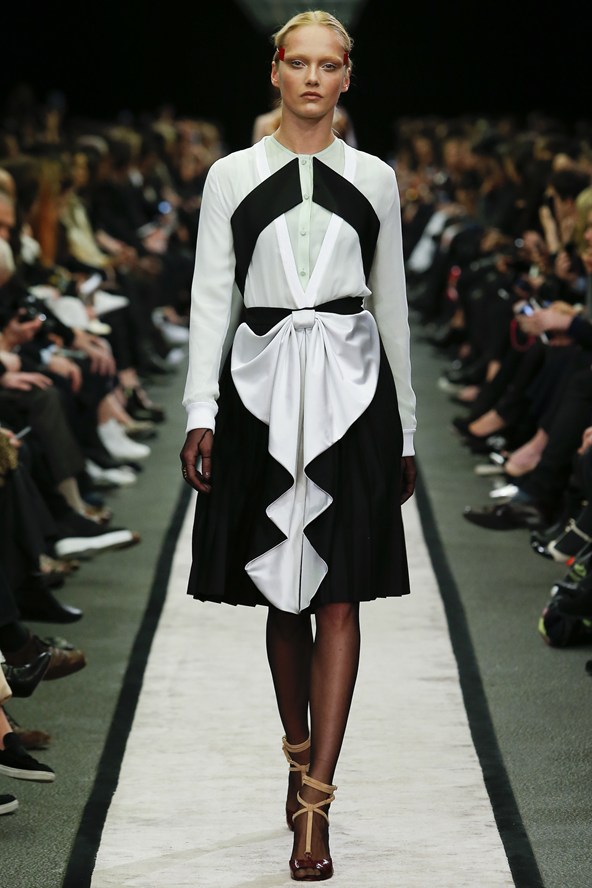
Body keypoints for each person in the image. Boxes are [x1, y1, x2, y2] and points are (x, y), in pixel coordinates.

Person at [179, 11, 416, 882]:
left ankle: (315, 804)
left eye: (330, 64)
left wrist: (408, 427)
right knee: (285, 595)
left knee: (341, 594)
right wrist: (199, 410)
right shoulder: (232, 176)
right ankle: (296, 751)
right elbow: (212, 296)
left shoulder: (375, 179)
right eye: (300, 62)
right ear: (275, 70)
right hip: (261, 392)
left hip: (356, 394)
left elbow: (392, 305)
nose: (314, 78)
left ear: (348, 75)